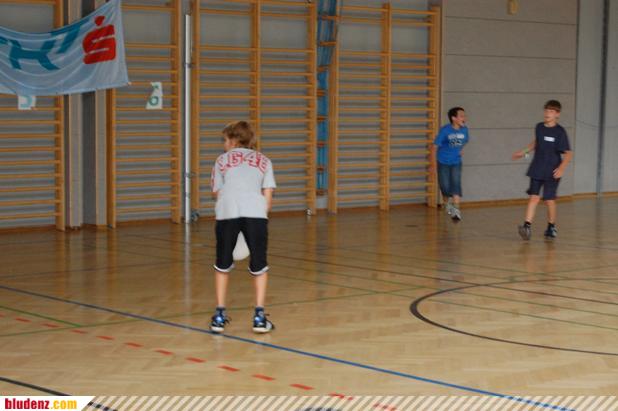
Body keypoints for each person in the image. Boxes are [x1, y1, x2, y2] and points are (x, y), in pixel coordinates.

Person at [209, 121, 276, 333]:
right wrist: (260, 217)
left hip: (227, 214)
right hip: (256, 214)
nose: (224, 144)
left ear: (233, 140)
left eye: (225, 140)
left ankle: (219, 316)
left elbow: (217, 192)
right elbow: (268, 196)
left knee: (222, 265)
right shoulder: (264, 160)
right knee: (259, 266)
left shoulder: (221, 160)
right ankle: (259, 317)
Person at [512, 100, 572, 240]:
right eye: (546, 110)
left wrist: (561, 168)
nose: (547, 113)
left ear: (557, 114)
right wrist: (523, 152)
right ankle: (527, 226)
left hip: (552, 170)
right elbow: (536, 142)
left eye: (551, 111)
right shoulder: (539, 127)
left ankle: (551, 226)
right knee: (533, 197)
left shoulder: (560, 132)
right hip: (537, 168)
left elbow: (568, 153)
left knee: (549, 200)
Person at [433, 106, 469, 221]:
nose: (464, 118)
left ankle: (456, 211)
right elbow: (434, 147)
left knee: (456, 183)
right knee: (445, 186)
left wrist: (460, 149)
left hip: (456, 161)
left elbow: (464, 141)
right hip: (443, 161)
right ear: (454, 118)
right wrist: (433, 165)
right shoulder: (445, 130)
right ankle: (446, 203)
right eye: (461, 116)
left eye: (464, 116)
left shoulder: (465, 130)